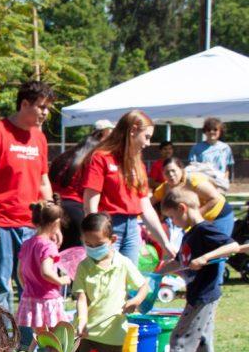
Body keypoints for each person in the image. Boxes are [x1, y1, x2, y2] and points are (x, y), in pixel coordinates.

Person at [0, 80, 55, 311]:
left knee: (32, 285)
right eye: (41, 107)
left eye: (47, 108)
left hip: (29, 225)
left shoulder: (39, 138)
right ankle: (2, 345)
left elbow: (43, 181)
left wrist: (51, 225)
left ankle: (29, 344)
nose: (45, 113)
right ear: (24, 104)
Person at [158, 187, 240, 352]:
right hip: (197, 295)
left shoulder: (204, 230)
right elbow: (179, 261)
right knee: (202, 341)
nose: (173, 222)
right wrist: (157, 272)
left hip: (204, 295)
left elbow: (232, 246)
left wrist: (206, 257)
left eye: (172, 217)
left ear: (182, 208)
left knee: (180, 337)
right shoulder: (189, 235)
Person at [80, 109, 172, 267]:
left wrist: (165, 243)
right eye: (147, 137)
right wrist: (96, 238)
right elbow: (90, 205)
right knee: (105, 279)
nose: (148, 143)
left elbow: (146, 207)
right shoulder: (101, 157)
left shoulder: (138, 164)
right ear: (133, 130)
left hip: (132, 228)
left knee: (128, 282)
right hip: (107, 227)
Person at [69, 213, 149, 352]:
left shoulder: (123, 263)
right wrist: (82, 321)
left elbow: (143, 286)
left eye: (98, 244)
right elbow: (81, 298)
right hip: (86, 332)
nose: (93, 248)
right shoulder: (84, 266)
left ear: (112, 240)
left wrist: (136, 300)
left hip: (112, 334)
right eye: (88, 244)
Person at [49, 127, 110, 249]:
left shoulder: (64, 157)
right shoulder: (92, 161)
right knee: (76, 258)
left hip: (55, 208)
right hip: (78, 211)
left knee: (55, 255)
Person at [16, 198, 70, 333]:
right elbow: (46, 272)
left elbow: (19, 272)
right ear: (56, 223)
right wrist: (61, 280)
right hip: (48, 299)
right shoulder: (48, 245)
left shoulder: (27, 243)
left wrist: (28, 287)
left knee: (41, 336)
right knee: (55, 337)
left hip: (30, 298)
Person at [188, 117, 235, 184]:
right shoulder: (196, 148)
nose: (212, 132)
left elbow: (226, 168)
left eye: (215, 129)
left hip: (220, 183)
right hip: (203, 184)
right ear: (205, 131)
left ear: (220, 131)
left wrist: (225, 181)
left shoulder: (225, 148)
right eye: (209, 129)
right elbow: (192, 167)